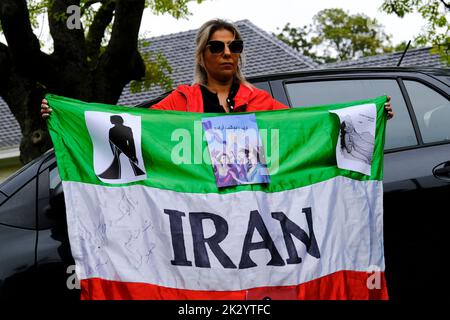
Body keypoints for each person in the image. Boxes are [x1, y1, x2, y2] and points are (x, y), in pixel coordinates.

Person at [41, 18, 394, 117]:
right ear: (201, 56)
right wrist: (66, 114)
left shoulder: (260, 102)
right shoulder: (182, 100)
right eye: (217, 46)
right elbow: (131, 126)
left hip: (254, 206)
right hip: (201, 208)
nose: (227, 53)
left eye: (234, 46)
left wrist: (366, 117)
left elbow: (308, 126)